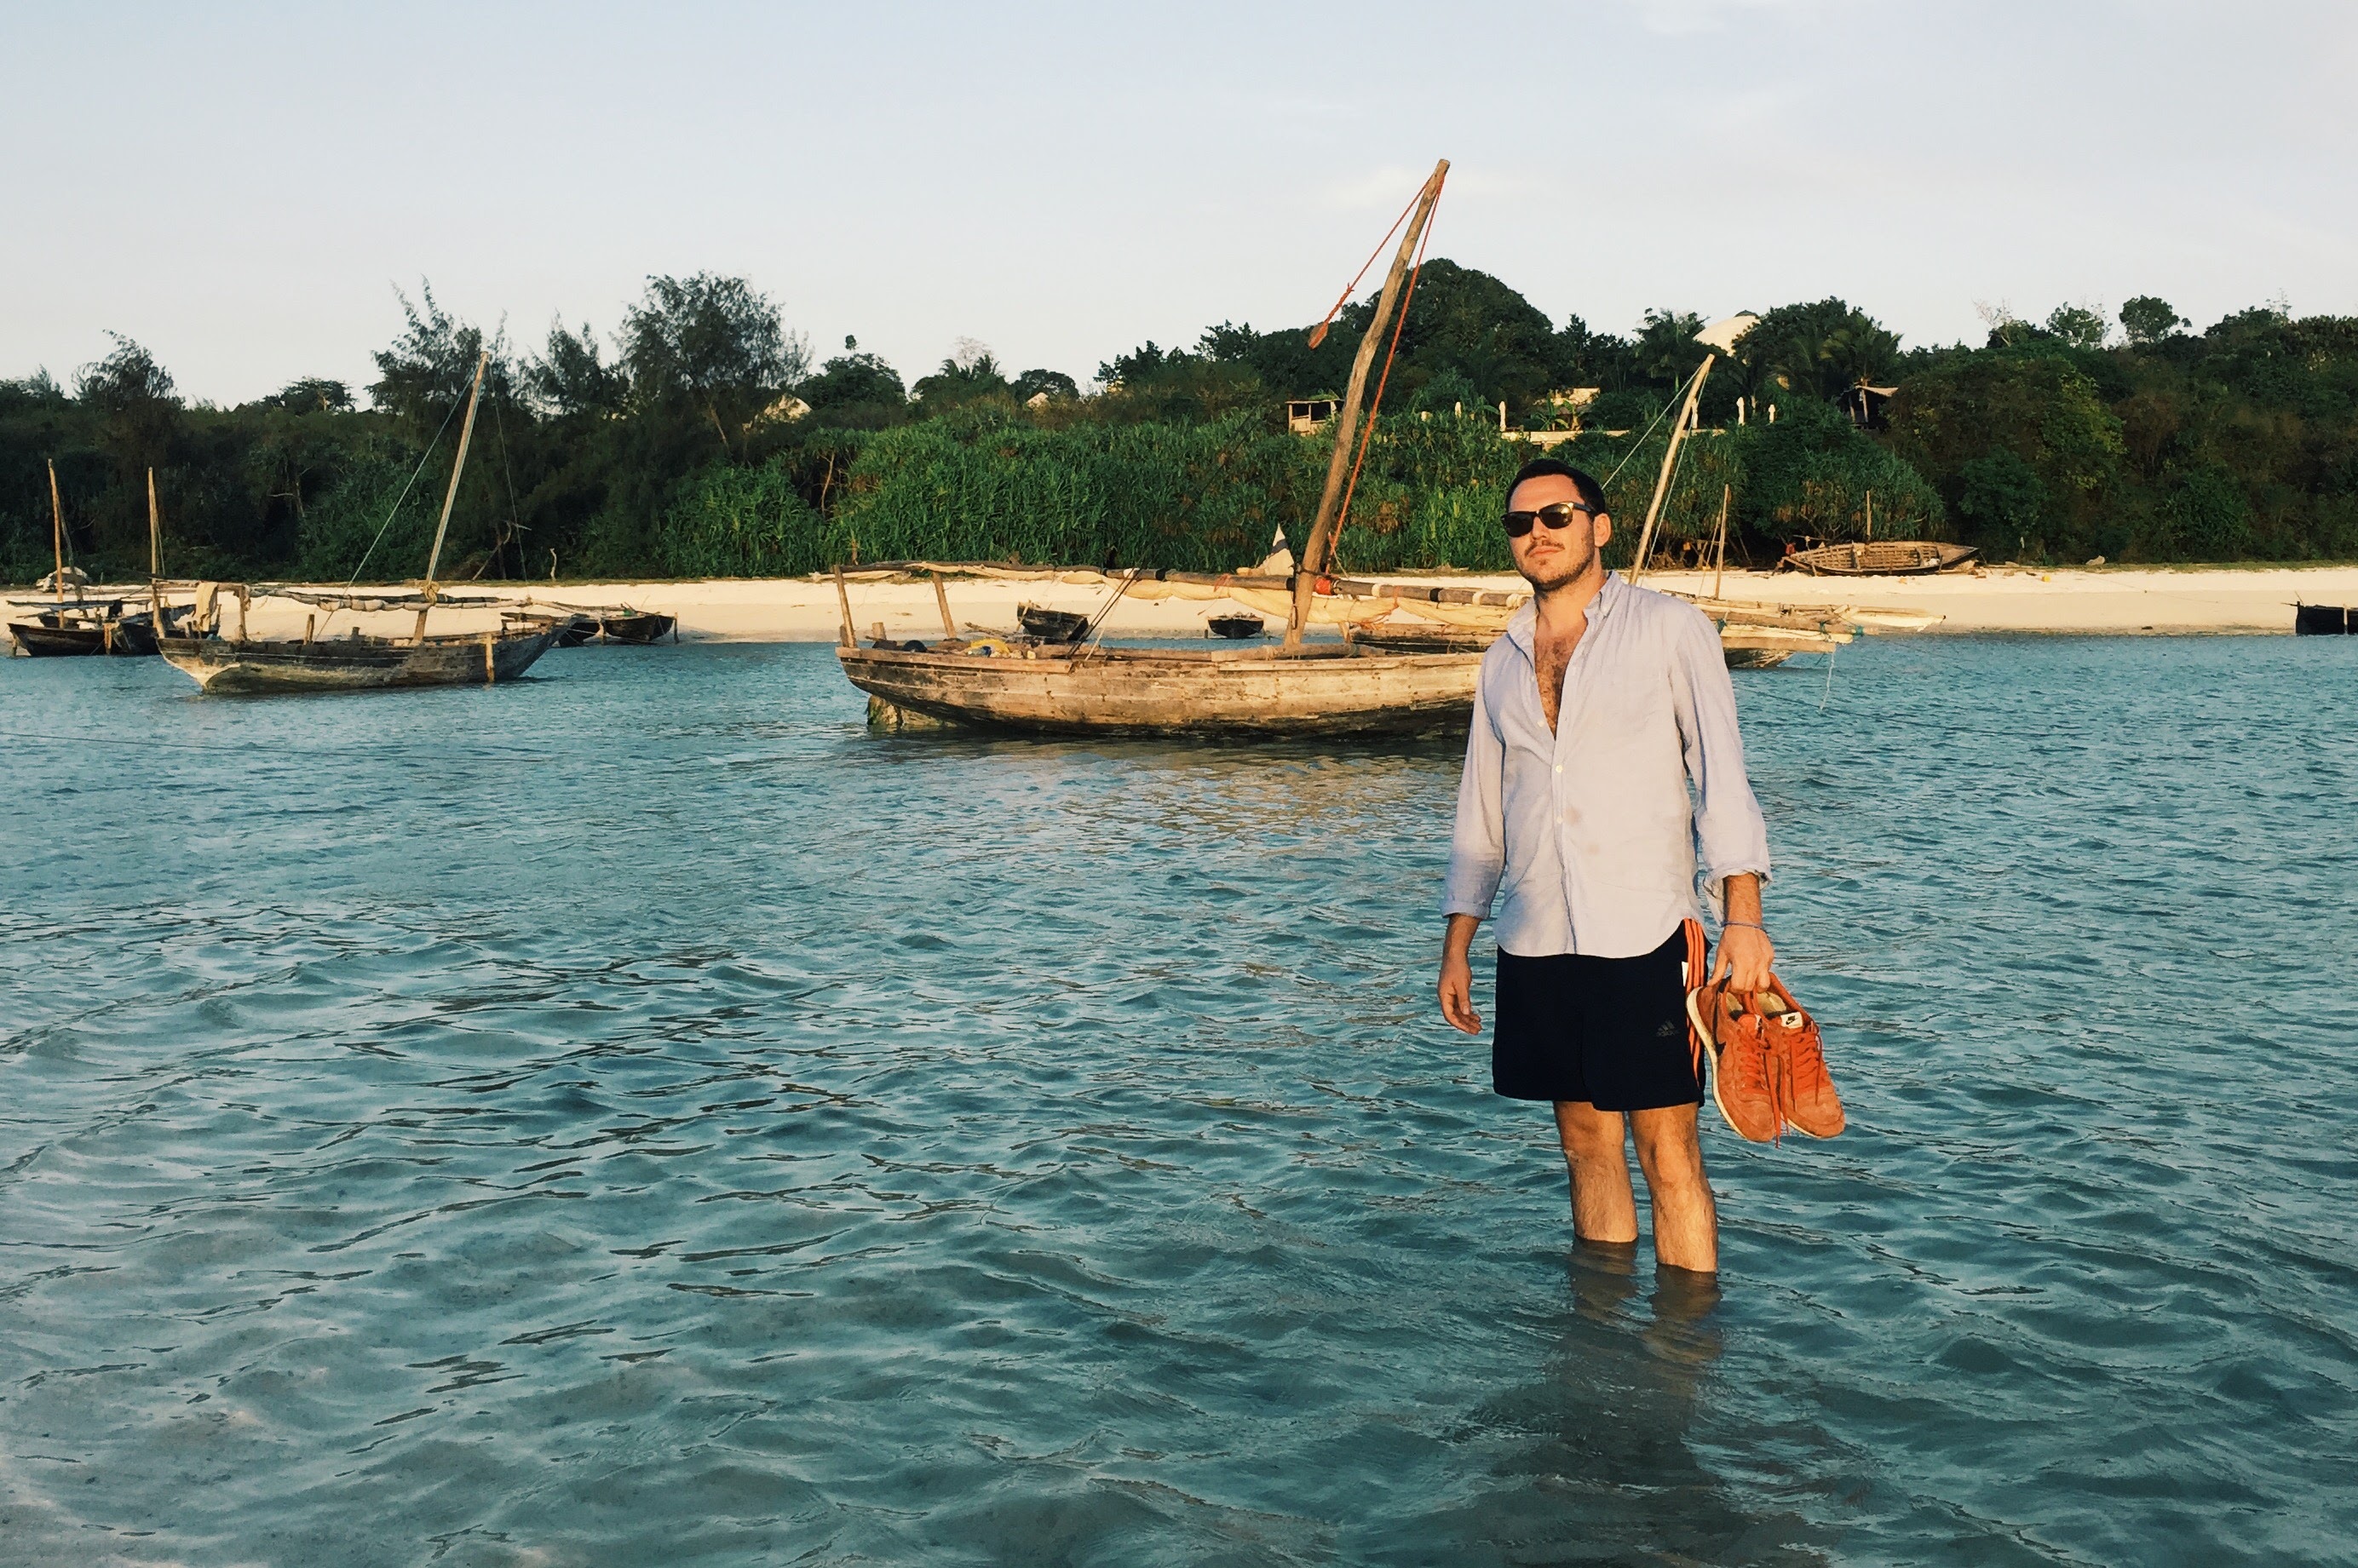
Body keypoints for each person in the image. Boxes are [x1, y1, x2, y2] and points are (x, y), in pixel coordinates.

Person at [1437, 457, 1774, 1275]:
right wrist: (1458, 941)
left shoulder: (1670, 628)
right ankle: (1600, 1355)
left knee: (1669, 1153)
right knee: (1586, 1145)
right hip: (1538, 937)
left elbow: (1721, 776)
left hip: (1648, 934)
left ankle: (1686, 1356)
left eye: (1557, 515)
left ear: (1600, 526)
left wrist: (1746, 919)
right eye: (1521, 523)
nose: (1538, 534)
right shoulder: (1502, 659)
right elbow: (1482, 812)